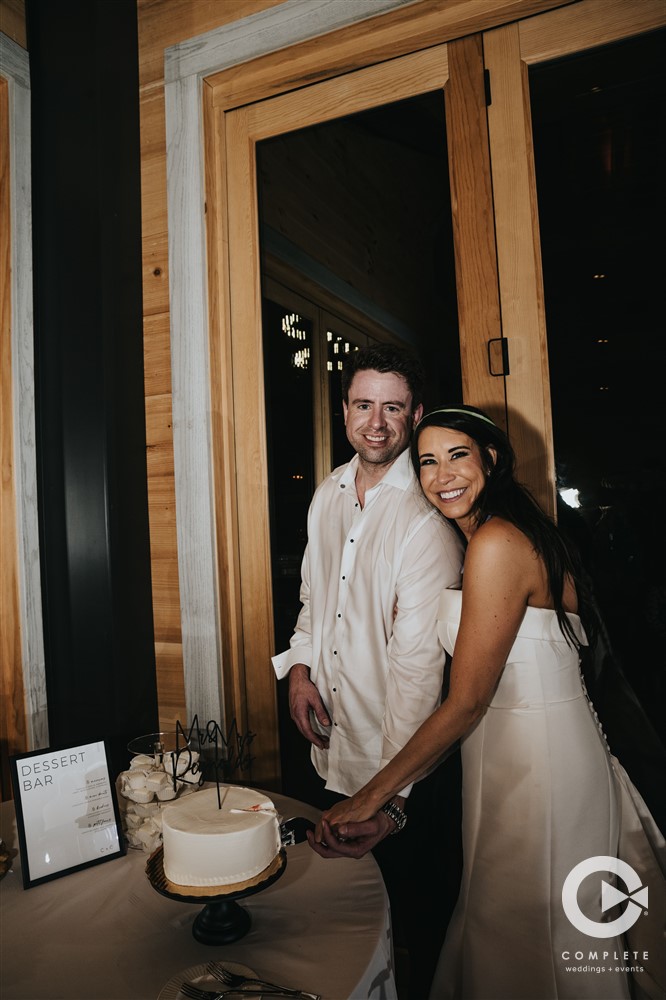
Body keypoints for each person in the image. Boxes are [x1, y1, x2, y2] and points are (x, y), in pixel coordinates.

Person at [311, 404, 665, 1000]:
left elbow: (467, 701)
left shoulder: (499, 542)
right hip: (501, 759)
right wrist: (394, 807)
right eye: (427, 461)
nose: (442, 474)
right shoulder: (483, 537)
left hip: (542, 766)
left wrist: (368, 796)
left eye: (458, 456)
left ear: (491, 460)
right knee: (507, 922)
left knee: (538, 930)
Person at [272, 346, 465, 997]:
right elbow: (311, 598)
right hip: (331, 746)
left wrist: (394, 805)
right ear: (345, 409)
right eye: (363, 405)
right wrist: (299, 671)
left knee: (416, 927)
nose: (375, 423)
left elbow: (419, 681)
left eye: (392, 407)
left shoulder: (427, 522)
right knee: (343, 918)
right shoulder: (326, 493)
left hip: (406, 775)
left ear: (415, 414)